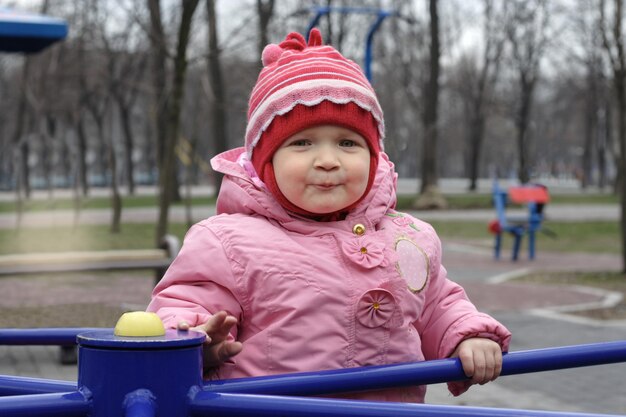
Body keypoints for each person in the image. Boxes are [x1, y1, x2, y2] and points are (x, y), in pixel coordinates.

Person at [147, 28, 511, 403]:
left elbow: (438, 304)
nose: (327, 160)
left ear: (374, 158)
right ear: (265, 162)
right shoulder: (227, 242)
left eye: (348, 143)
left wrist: (468, 333)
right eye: (302, 143)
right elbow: (182, 306)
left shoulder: (409, 236)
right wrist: (195, 344)